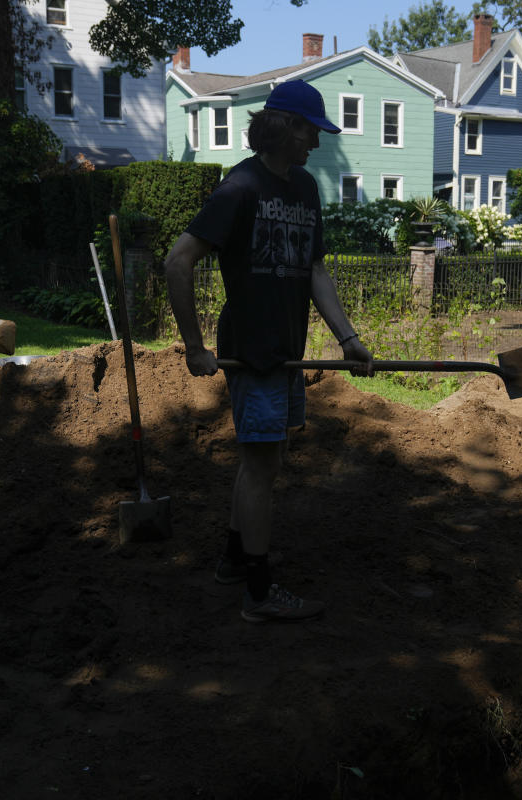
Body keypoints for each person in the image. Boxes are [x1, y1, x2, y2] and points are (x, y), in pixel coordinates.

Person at [165, 80, 373, 624]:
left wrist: (347, 340)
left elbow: (316, 271)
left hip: (287, 351)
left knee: (266, 461)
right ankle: (258, 593)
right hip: (251, 350)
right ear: (284, 128)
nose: (318, 143)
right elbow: (177, 261)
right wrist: (193, 346)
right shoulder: (241, 187)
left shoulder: (304, 188)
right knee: (260, 467)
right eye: (311, 131)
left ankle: (235, 561)